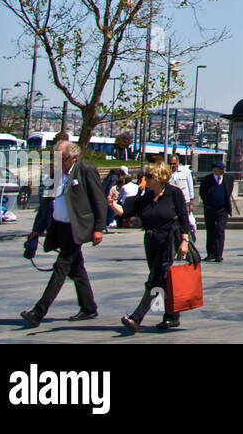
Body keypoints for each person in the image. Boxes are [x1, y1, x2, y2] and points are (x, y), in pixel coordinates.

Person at [21, 141, 106, 327]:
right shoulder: (56, 174)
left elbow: (99, 201)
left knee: (61, 268)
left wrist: (99, 228)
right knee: (76, 269)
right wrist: (37, 230)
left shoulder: (86, 170)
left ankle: (38, 312)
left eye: (62, 158)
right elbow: (46, 205)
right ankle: (88, 307)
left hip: (76, 228)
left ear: (73, 158)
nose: (58, 161)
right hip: (59, 227)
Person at [112, 160, 193, 332]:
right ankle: (172, 317)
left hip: (169, 241)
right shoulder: (146, 197)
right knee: (163, 281)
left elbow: (184, 218)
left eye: (149, 176)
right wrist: (111, 204)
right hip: (151, 241)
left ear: (159, 177)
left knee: (155, 279)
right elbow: (127, 213)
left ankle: (136, 318)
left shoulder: (174, 193)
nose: (145, 179)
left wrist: (185, 241)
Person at [199, 158, 233, 262]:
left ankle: (219, 254)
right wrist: (208, 203)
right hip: (210, 208)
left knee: (220, 230)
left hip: (222, 208)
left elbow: (229, 190)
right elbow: (202, 193)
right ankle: (211, 253)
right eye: (220, 169)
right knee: (210, 230)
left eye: (223, 169)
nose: (222, 171)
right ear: (214, 170)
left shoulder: (228, 178)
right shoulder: (206, 179)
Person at [168, 154, 196, 232]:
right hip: (172, 202)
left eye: (174, 163)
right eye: (170, 164)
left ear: (178, 162)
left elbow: (190, 186)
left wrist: (191, 203)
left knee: (184, 221)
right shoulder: (167, 173)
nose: (172, 166)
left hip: (185, 201)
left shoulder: (185, 171)